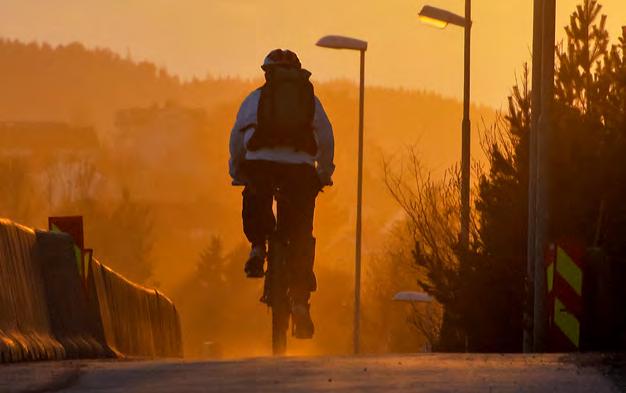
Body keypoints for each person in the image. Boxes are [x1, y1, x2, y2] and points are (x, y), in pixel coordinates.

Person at [229, 49, 334, 338]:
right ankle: (300, 300)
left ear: (267, 73)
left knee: (255, 197)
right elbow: (326, 138)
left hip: (260, 164)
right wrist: (324, 174)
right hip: (299, 170)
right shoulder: (310, 102)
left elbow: (237, 138)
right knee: (300, 232)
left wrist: (238, 172)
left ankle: (257, 248)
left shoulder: (255, 100)